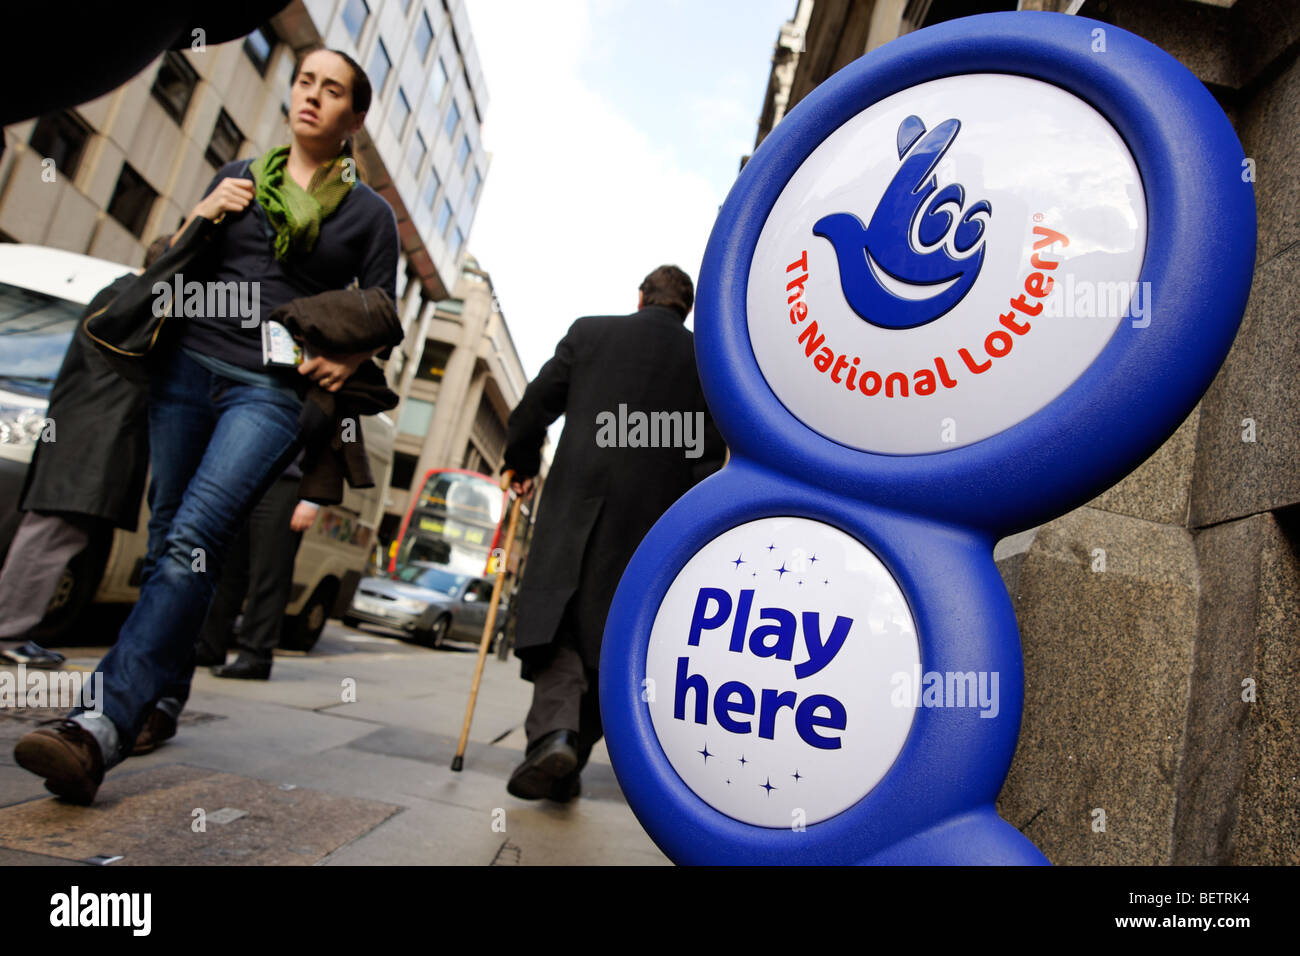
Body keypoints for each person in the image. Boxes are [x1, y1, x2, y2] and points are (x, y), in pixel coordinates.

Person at [14, 46, 400, 804]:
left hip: (268, 389)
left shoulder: (368, 213)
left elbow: (381, 310)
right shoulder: (238, 176)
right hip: (187, 368)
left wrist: (351, 363)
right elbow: (167, 259)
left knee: (195, 537)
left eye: (332, 91)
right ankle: (161, 698)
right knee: (171, 543)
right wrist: (199, 216)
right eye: (304, 83)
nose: (311, 97)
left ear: (354, 117)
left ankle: (99, 725)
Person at [502, 266, 726, 802]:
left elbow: (534, 408)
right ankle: (568, 754)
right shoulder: (703, 363)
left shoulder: (589, 333)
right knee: (618, 637)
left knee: (559, 622)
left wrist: (521, 461)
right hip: (650, 524)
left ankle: (555, 737)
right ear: (685, 310)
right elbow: (708, 455)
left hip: (574, 509)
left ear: (641, 296)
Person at [0, 235, 169, 668]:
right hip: (90, 442)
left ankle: (14, 630)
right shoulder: (131, 299)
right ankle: (8, 633)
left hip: (86, 439)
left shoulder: (117, 295)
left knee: (55, 534)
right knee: (50, 535)